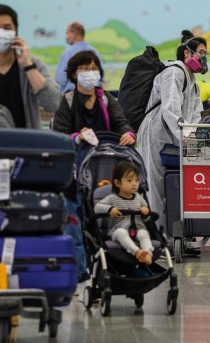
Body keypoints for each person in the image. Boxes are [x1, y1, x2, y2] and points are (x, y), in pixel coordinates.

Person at [52, 50, 135, 282]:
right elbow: (59, 135)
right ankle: (81, 270)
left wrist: (128, 133)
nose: (89, 73)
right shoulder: (67, 101)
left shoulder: (107, 99)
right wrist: (78, 136)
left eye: (93, 68)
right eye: (83, 69)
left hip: (104, 168)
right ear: (73, 74)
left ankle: (112, 263)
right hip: (75, 170)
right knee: (76, 220)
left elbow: (121, 122)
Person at [137, 30, 206, 232]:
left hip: (174, 136)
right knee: (156, 186)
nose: (204, 57)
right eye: (201, 52)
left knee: (175, 185)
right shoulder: (173, 73)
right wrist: (185, 134)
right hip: (155, 132)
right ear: (187, 53)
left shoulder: (193, 82)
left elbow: (195, 113)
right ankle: (157, 235)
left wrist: (193, 135)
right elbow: (170, 109)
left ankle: (176, 232)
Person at [94, 161, 154, 265]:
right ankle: (137, 251)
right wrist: (110, 209)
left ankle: (148, 253)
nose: (134, 183)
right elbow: (97, 207)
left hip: (137, 229)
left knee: (144, 233)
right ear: (117, 183)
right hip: (118, 230)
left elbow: (147, 218)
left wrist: (145, 212)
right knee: (121, 233)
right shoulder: (112, 198)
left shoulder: (139, 199)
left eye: (136, 180)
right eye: (129, 180)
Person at [55, 21, 103, 94]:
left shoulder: (68, 52)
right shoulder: (94, 52)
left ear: (74, 33)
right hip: (94, 95)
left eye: (67, 33)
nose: (67, 37)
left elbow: (61, 78)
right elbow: (101, 76)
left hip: (72, 95)